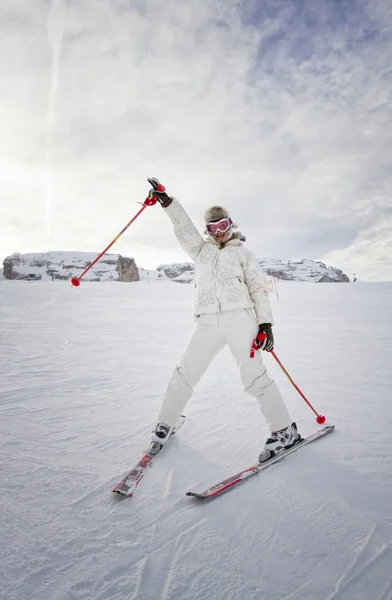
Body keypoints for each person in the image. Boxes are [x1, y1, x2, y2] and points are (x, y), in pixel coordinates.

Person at [147, 177, 300, 460]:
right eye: (212, 228)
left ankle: (284, 430)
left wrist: (265, 324)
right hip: (206, 321)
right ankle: (166, 421)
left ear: (231, 225)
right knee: (184, 373)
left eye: (223, 226)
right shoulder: (200, 250)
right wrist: (167, 201)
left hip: (240, 320)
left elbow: (257, 288)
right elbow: (183, 227)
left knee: (253, 377)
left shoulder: (243, 254)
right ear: (207, 230)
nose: (218, 232)